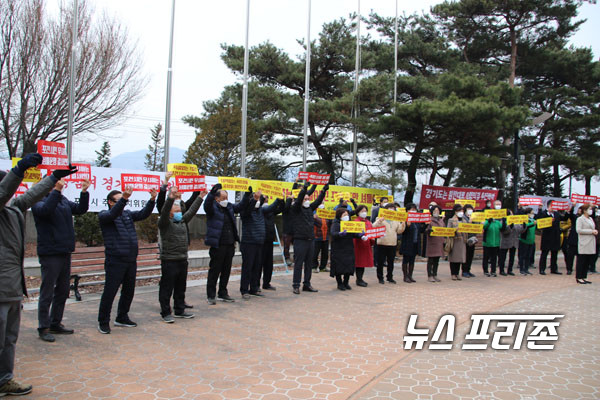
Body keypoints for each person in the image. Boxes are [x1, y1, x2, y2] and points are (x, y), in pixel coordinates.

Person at [0, 154, 62, 397]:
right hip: (2, 286)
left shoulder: (14, 208)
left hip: (12, 286)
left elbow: (30, 196)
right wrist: (20, 169)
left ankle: (5, 380)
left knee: (9, 339)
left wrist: (53, 178)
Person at [32, 176, 90, 342]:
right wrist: (56, 191)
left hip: (65, 251)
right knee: (47, 291)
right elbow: (45, 211)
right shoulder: (37, 200)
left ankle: (55, 322)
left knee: (63, 290)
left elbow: (79, 209)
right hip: (50, 252)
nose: (60, 185)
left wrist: (84, 192)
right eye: (54, 183)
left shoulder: (62, 199)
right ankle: (43, 327)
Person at [97, 186, 157, 334]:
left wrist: (152, 200)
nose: (124, 203)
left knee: (129, 291)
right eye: (119, 200)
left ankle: (122, 317)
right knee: (110, 292)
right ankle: (103, 321)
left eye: (124, 200)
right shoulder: (104, 215)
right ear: (111, 202)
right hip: (115, 260)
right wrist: (124, 199)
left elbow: (143, 214)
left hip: (130, 259)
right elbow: (112, 214)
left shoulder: (127, 214)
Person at [158, 187, 206, 323]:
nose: (180, 213)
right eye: (177, 211)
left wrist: (201, 197)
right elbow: (165, 210)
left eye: (180, 211)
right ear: (170, 214)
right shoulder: (164, 223)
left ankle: (179, 310)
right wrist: (171, 198)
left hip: (182, 259)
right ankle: (166, 312)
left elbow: (192, 211)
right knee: (167, 288)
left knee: (181, 287)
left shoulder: (182, 221)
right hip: (169, 260)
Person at [203, 183, 250, 305]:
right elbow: (206, 205)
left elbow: (240, 206)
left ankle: (223, 292)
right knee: (215, 270)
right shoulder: (212, 207)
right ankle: (211, 295)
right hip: (218, 244)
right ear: (217, 198)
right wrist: (212, 192)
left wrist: (247, 195)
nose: (225, 200)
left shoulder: (229, 207)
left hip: (230, 243)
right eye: (223, 198)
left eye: (226, 198)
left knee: (226, 270)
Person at [239, 191, 283, 299]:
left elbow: (270, 208)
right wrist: (254, 199)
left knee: (256, 267)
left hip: (259, 242)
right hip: (249, 243)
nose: (258, 202)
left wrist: (278, 200)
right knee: (247, 268)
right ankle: (244, 290)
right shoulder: (246, 211)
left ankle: (254, 288)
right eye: (256, 200)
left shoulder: (260, 210)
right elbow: (248, 209)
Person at [290, 182, 329, 294]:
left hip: (310, 240)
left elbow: (317, 201)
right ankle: (296, 285)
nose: (307, 200)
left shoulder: (310, 208)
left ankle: (307, 284)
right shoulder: (296, 209)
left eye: (308, 198)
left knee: (309, 264)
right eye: (305, 198)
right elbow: (299, 199)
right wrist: (305, 188)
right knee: (299, 264)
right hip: (300, 240)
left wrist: (323, 191)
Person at [330, 208, 363, 290]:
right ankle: (340, 283)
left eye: (347, 215)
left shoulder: (349, 224)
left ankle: (346, 282)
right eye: (344, 215)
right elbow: (333, 233)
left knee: (348, 266)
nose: (346, 216)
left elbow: (354, 234)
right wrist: (340, 234)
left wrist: (360, 235)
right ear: (339, 216)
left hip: (348, 248)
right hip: (338, 249)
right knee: (338, 267)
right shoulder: (336, 224)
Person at [373, 204, 406, 284]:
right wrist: (380, 220)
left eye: (393, 209)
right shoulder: (380, 218)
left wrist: (403, 224)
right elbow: (374, 226)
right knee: (380, 262)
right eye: (390, 208)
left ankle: (390, 277)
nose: (392, 210)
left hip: (392, 244)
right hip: (382, 243)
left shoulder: (396, 220)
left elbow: (399, 231)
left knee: (390, 262)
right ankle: (380, 277)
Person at [536, 200, 568, 275]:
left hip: (555, 236)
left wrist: (568, 211)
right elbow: (539, 220)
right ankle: (542, 269)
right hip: (547, 236)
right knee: (544, 253)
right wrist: (540, 209)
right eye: (553, 206)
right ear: (549, 206)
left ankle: (554, 269)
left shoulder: (556, 214)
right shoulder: (543, 213)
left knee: (554, 253)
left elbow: (564, 218)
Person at [261, 195, 284, 290]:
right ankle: (255, 285)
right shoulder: (258, 209)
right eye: (265, 197)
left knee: (269, 263)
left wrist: (282, 201)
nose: (267, 199)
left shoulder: (270, 210)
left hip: (269, 239)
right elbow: (271, 207)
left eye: (267, 197)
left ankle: (266, 283)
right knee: (259, 263)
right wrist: (277, 199)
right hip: (261, 240)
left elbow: (281, 209)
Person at [575, 203, 597, 284]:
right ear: (584, 210)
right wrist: (591, 231)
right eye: (589, 209)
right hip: (584, 242)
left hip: (591, 242)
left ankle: (584, 276)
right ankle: (579, 277)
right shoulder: (580, 219)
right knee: (581, 260)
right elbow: (579, 230)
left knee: (587, 260)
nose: (591, 211)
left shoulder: (590, 219)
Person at [400, 203, 422, 283]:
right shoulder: (404, 219)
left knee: (412, 260)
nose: (413, 211)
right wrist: (407, 225)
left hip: (415, 243)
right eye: (411, 209)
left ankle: (410, 276)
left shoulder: (417, 220)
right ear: (407, 210)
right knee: (406, 260)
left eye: (414, 209)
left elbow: (420, 230)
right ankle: (405, 276)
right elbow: (401, 231)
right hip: (407, 243)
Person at [353, 205, 374, 287]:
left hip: (366, 244)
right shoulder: (356, 222)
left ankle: (360, 278)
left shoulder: (368, 222)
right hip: (358, 245)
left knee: (363, 262)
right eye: (362, 211)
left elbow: (371, 232)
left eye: (365, 211)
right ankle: (359, 279)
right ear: (358, 212)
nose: (364, 213)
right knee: (359, 263)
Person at [498, 210, 523, 276]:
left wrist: (524, 225)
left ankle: (510, 270)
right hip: (505, 241)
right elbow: (504, 231)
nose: (512, 215)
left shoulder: (515, 221)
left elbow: (520, 230)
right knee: (503, 256)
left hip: (514, 241)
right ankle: (502, 270)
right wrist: (510, 226)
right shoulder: (503, 221)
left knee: (512, 256)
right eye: (511, 214)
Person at [447, 204, 468, 281]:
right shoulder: (451, 220)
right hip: (454, 240)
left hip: (462, 241)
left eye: (462, 211)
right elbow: (448, 231)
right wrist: (455, 230)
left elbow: (468, 229)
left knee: (459, 258)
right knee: (453, 258)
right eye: (459, 211)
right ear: (455, 212)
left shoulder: (464, 220)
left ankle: (457, 273)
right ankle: (453, 273)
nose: (461, 212)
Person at [482, 200, 503, 277]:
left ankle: (493, 271)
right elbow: (484, 226)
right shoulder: (488, 215)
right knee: (486, 257)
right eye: (497, 204)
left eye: (499, 204)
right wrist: (489, 221)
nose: (498, 205)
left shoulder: (499, 219)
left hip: (496, 242)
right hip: (487, 241)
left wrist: (504, 222)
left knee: (494, 258)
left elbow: (502, 228)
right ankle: (485, 270)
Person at [281, 182, 300, 266]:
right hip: (287, 230)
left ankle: (296, 258)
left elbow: (294, 193)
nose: (292, 200)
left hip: (295, 230)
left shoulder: (296, 208)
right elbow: (286, 205)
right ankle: (287, 258)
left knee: (297, 246)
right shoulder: (285, 208)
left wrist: (295, 184)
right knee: (286, 246)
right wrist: (288, 199)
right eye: (291, 199)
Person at [425, 205, 445, 282]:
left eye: (437, 211)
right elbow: (426, 230)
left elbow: (444, 230)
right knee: (431, 260)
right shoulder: (429, 220)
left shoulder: (441, 221)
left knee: (437, 260)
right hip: (432, 242)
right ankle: (429, 275)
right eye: (434, 211)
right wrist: (428, 229)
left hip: (439, 242)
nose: (436, 212)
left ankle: (435, 274)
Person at [563, 206, 582, 275]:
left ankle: (579, 269)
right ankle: (569, 269)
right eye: (579, 209)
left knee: (580, 257)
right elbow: (570, 214)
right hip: (573, 239)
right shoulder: (575, 217)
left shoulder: (585, 219)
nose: (579, 211)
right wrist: (573, 206)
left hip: (581, 240)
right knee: (570, 256)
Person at [312, 204, 331, 273]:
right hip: (317, 237)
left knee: (325, 253)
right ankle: (314, 267)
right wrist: (313, 217)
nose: (322, 204)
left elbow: (330, 223)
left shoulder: (327, 214)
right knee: (315, 253)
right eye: (320, 203)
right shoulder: (314, 213)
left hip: (326, 237)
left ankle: (323, 267)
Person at [518, 208, 537, 275]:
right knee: (522, 255)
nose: (532, 214)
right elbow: (525, 227)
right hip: (524, 240)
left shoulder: (534, 220)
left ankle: (526, 269)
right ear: (527, 213)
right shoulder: (524, 220)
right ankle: (521, 269)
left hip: (531, 241)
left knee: (528, 256)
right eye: (531, 213)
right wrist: (532, 223)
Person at [461, 204, 477, 278]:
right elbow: (463, 228)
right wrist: (469, 222)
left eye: (471, 209)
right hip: (465, 239)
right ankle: (464, 271)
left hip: (472, 239)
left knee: (470, 255)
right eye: (468, 209)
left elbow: (477, 227)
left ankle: (468, 270)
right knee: (466, 255)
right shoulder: (463, 218)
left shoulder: (473, 218)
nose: (470, 211)